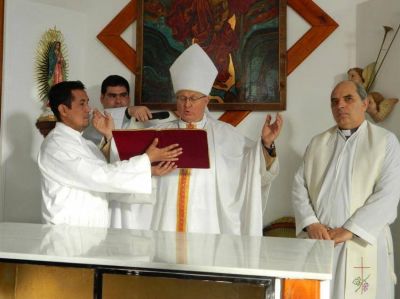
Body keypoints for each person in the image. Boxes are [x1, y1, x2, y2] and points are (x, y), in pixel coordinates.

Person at [112, 43, 282, 236]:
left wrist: (267, 145)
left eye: (193, 98)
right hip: (164, 219)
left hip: (207, 222)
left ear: (206, 100)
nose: (187, 104)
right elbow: (126, 168)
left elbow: (253, 166)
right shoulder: (159, 133)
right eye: (182, 98)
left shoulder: (226, 134)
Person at [292, 80, 400, 299]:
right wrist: (310, 223)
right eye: (334, 101)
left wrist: (349, 230)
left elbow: (388, 195)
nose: (339, 105)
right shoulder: (318, 143)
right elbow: (299, 186)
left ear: (365, 103)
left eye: (348, 99)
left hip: (361, 242)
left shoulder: (385, 142)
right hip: (320, 243)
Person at [37, 81, 182, 228]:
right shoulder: (56, 146)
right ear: (63, 109)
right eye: (82, 104)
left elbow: (109, 182)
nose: (89, 109)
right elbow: (100, 176)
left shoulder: (86, 145)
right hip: (66, 236)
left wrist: (149, 170)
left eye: (88, 103)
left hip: (91, 235)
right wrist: (146, 160)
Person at [83, 75, 153, 144]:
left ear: (129, 98)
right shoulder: (91, 120)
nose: (118, 101)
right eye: (112, 96)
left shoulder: (142, 123)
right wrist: (128, 110)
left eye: (123, 95)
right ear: (102, 98)